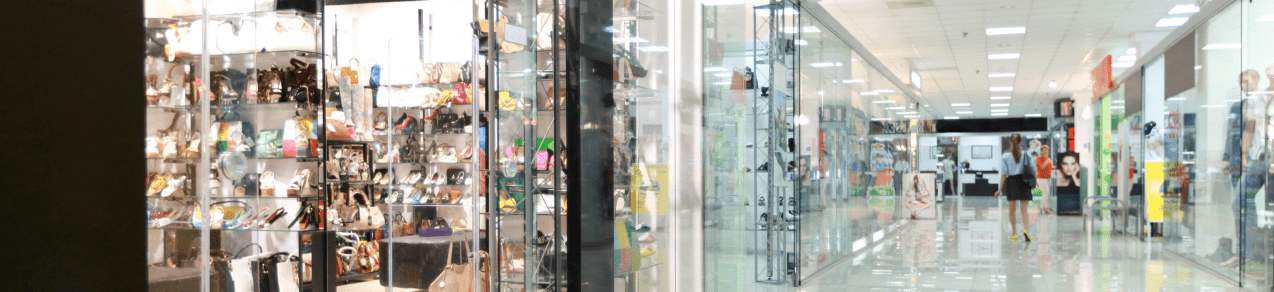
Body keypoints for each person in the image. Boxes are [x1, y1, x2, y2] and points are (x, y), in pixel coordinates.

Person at [996, 133, 1036, 242]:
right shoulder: (1026, 154)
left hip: (1012, 182)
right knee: (1024, 211)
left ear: (1010, 142)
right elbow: (1033, 168)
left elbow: (1004, 174)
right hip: (1024, 181)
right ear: (1020, 142)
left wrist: (999, 189)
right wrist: (1035, 181)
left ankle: (1014, 233)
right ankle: (1026, 231)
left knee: (1012, 211)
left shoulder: (1005, 156)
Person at [1035, 145, 1055, 214]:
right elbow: (1042, 166)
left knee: (1045, 193)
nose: (1046, 151)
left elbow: (1050, 167)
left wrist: (1059, 167)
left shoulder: (1049, 158)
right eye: (1044, 150)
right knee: (1046, 193)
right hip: (1041, 178)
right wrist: (1046, 159)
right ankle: (1048, 208)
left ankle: (1042, 208)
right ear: (1041, 151)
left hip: (1048, 177)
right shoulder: (1038, 158)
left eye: (1047, 150)